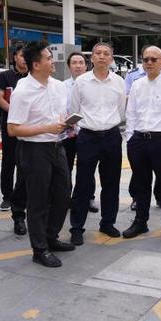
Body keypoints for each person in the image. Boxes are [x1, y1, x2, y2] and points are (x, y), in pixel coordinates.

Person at [7, 41, 75, 267]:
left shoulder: (58, 86)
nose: (52, 61)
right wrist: (46, 128)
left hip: (58, 146)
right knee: (37, 201)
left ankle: (51, 237)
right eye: (48, 58)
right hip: (34, 150)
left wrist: (66, 124)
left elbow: (59, 115)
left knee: (63, 195)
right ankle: (39, 249)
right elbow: (13, 129)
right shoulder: (22, 91)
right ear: (36, 65)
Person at [123, 45, 161, 241]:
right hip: (139, 140)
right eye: (146, 59)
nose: (149, 63)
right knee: (141, 183)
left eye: (153, 59)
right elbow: (130, 113)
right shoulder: (137, 85)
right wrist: (130, 138)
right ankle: (141, 221)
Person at [69, 43, 125, 245]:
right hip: (87, 137)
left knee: (111, 182)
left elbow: (121, 110)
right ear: (91, 58)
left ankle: (108, 222)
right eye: (98, 53)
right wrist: (81, 132)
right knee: (83, 184)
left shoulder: (119, 82)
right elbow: (73, 111)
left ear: (111, 59)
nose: (102, 57)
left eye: (106, 54)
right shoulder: (81, 82)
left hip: (111, 136)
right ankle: (77, 227)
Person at [0, 44, 28, 235]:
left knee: (26, 163)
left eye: (26, 56)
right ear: (15, 57)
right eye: (21, 56)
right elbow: (0, 99)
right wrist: (16, 113)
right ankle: (7, 196)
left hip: (29, 127)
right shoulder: (5, 76)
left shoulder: (32, 76)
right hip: (11, 126)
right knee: (9, 161)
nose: (24, 59)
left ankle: (24, 195)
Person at [62, 52, 98, 214]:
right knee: (66, 167)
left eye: (81, 63)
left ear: (86, 65)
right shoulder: (61, 86)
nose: (78, 65)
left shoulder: (93, 84)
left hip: (88, 133)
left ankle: (88, 198)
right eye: (74, 63)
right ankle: (66, 198)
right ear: (69, 66)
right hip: (68, 134)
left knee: (87, 168)